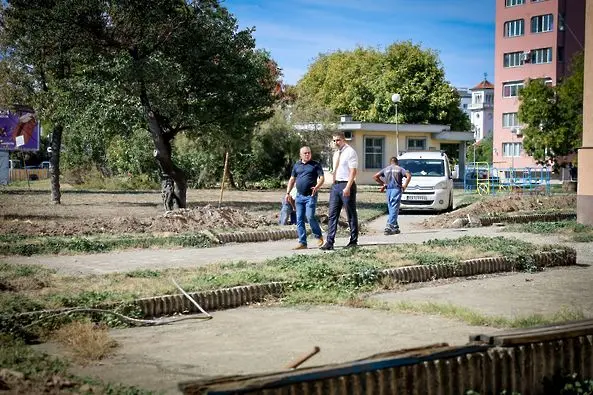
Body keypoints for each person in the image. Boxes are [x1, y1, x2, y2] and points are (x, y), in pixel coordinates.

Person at [320, 132, 359, 250]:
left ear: (343, 140)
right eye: (334, 141)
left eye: (338, 140)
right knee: (332, 214)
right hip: (336, 185)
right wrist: (333, 182)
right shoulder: (336, 153)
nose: (336, 143)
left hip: (346, 184)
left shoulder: (350, 152)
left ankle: (353, 240)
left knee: (350, 213)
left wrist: (347, 187)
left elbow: (353, 171)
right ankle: (329, 242)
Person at [286, 146, 325, 249]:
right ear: (301, 155)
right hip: (299, 196)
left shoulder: (315, 165)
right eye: (305, 153)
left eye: (309, 153)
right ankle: (302, 242)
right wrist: (288, 193)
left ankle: (319, 235)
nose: (307, 154)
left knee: (310, 216)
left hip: (311, 195)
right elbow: (292, 179)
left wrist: (317, 186)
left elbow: (322, 178)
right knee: (299, 219)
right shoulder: (297, 165)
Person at [373, 156, 411, 235]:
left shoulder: (386, 169)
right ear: (397, 162)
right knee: (394, 207)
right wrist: (405, 186)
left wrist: (383, 183)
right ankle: (389, 226)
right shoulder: (400, 169)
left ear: (390, 162)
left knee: (391, 207)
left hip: (388, 189)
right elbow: (408, 176)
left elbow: (375, 176)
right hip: (396, 189)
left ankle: (395, 226)